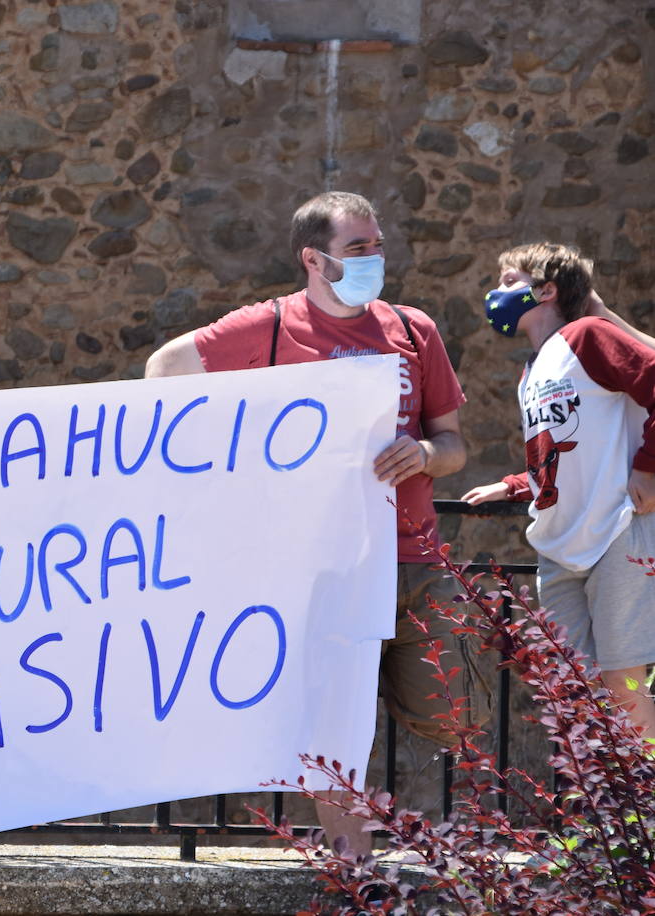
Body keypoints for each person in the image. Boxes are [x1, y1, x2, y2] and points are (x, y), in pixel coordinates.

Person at [146, 191, 479, 856]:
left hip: (414, 563)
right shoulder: (269, 327)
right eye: (359, 248)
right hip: (325, 567)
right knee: (335, 726)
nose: (374, 258)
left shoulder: (413, 330)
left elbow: (454, 444)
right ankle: (358, 868)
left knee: (461, 716)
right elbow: (164, 371)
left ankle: (460, 850)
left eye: (377, 245)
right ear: (314, 259)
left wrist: (423, 455)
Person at [463, 242, 655, 737]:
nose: (495, 293)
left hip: (617, 530)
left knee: (622, 683)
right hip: (560, 543)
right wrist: (511, 485)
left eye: (509, 281)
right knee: (572, 688)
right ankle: (601, 810)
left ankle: (639, 813)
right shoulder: (531, 372)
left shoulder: (588, 336)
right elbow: (560, 452)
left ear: (545, 290)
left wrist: (649, 467)